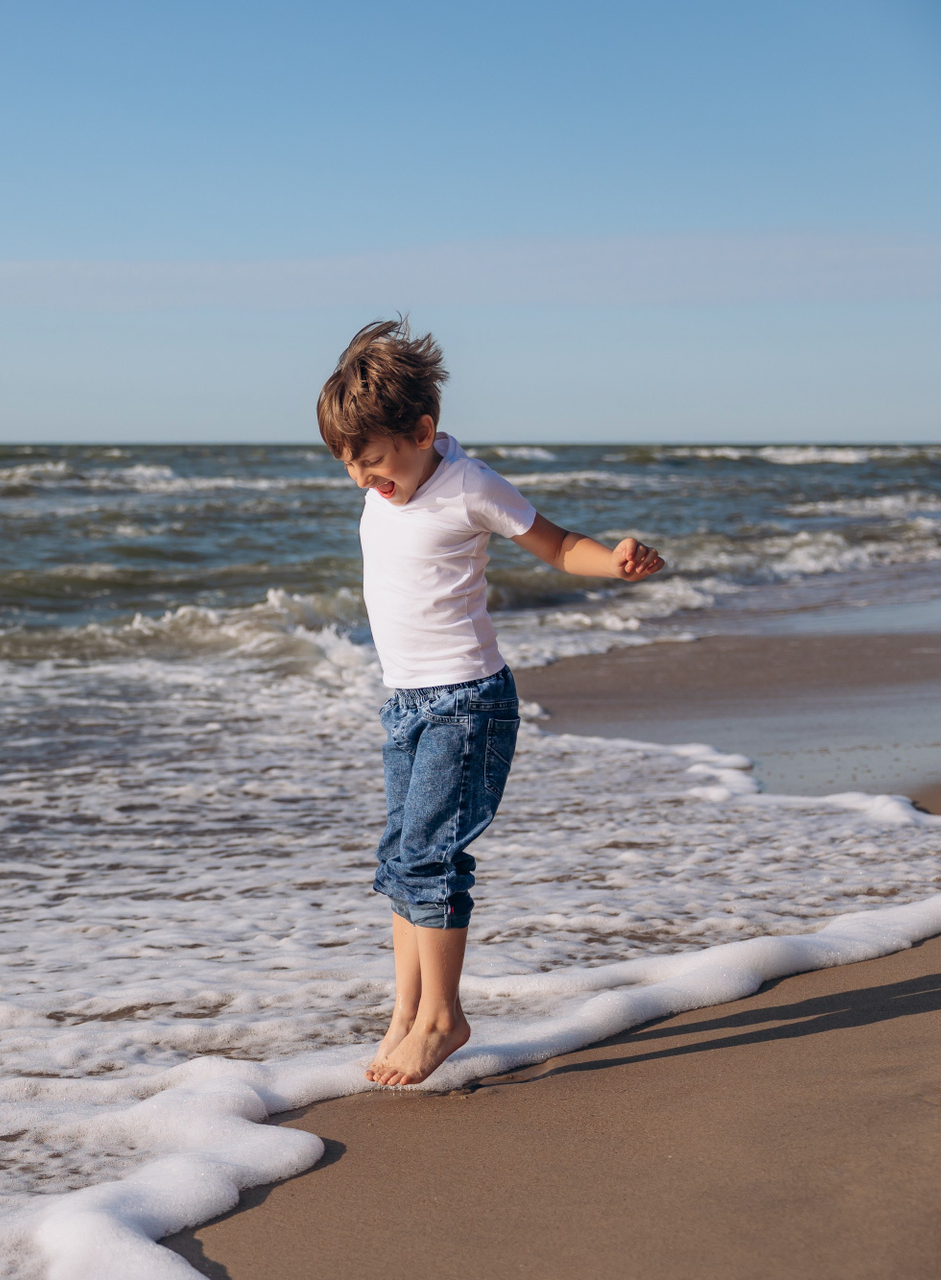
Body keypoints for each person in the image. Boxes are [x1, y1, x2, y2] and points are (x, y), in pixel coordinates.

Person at [317, 319, 665, 1087]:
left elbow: (556, 543)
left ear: (423, 433)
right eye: (349, 466)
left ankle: (444, 1018)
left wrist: (614, 561)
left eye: (373, 462)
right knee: (400, 858)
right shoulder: (387, 486)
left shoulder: (469, 484)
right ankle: (407, 1011)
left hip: (466, 703)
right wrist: (376, 475)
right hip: (405, 701)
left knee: (432, 857)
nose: (363, 479)